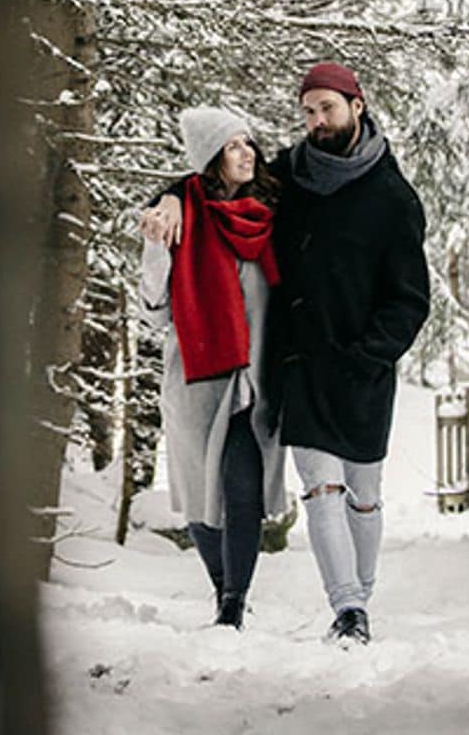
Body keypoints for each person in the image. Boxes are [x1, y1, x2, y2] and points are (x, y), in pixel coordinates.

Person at [141, 64, 429, 645]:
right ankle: (348, 609)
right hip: (298, 364)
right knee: (320, 487)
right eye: (308, 112)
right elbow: (217, 174)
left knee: (364, 495)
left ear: (356, 103)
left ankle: (360, 595)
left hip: (364, 369)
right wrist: (168, 198)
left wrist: (369, 355)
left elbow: (409, 299)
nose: (317, 121)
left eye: (327, 108)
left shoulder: (392, 195)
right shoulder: (292, 175)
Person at [136, 106, 287, 630]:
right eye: (232, 146)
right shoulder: (177, 219)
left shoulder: (271, 212)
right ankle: (222, 588)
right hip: (197, 378)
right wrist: (157, 247)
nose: (247, 153)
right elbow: (152, 307)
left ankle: (233, 605)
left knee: (243, 491)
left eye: (249, 143)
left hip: (257, 379)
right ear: (210, 159)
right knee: (202, 499)